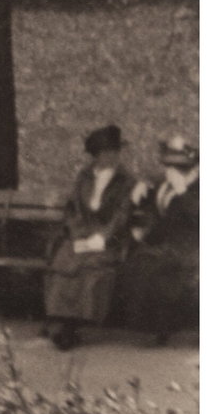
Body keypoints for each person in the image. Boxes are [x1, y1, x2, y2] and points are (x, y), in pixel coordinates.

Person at [43, 124, 136, 350]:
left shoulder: (126, 181)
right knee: (64, 262)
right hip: (81, 235)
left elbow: (122, 215)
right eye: (106, 152)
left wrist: (102, 238)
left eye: (115, 151)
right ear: (96, 155)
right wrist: (79, 235)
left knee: (90, 268)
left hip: (110, 240)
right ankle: (60, 322)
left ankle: (70, 326)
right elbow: (73, 209)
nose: (112, 156)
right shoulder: (84, 177)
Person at [118, 134, 199, 345]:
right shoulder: (164, 184)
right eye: (169, 166)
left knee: (161, 268)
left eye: (180, 167)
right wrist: (140, 190)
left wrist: (183, 191)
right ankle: (157, 327)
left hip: (193, 245)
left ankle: (166, 328)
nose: (172, 171)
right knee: (142, 263)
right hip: (166, 243)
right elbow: (154, 207)